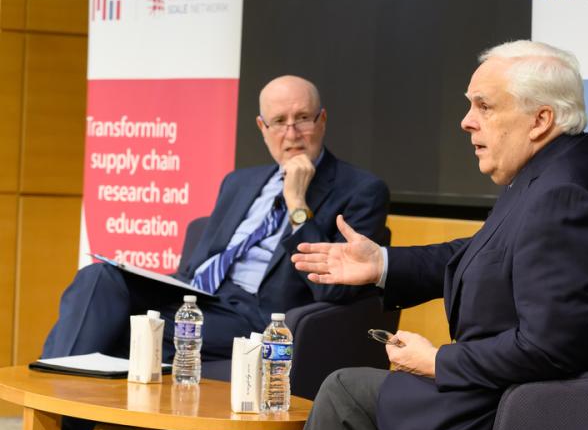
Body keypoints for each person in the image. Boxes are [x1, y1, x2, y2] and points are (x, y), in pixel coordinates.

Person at [292, 41, 588, 430]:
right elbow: (483, 253)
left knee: (344, 393)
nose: (466, 122)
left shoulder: (566, 193)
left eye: (484, 107)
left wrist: (436, 361)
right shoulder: (555, 170)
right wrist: (381, 265)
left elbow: (548, 348)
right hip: (512, 394)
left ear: (540, 120)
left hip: (535, 411)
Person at [43, 74, 389, 362]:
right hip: (201, 299)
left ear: (322, 120)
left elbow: (334, 289)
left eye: (302, 118)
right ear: (262, 127)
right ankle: (50, 429)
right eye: (279, 122)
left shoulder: (360, 190)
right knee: (98, 278)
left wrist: (297, 203)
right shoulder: (239, 182)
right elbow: (199, 265)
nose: (292, 133)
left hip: (261, 318)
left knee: (100, 332)